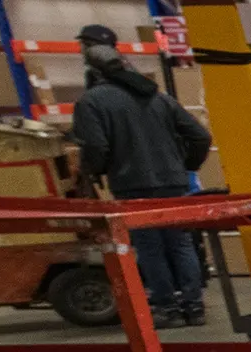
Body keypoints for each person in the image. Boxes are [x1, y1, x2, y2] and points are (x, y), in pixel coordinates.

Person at [71, 24, 215, 328]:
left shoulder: (92, 102)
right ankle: (194, 307)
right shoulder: (158, 97)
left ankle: (167, 308)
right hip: (173, 182)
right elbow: (200, 136)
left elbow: (95, 146)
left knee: (150, 248)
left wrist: (93, 171)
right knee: (181, 244)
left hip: (132, 184)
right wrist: (186, 165)